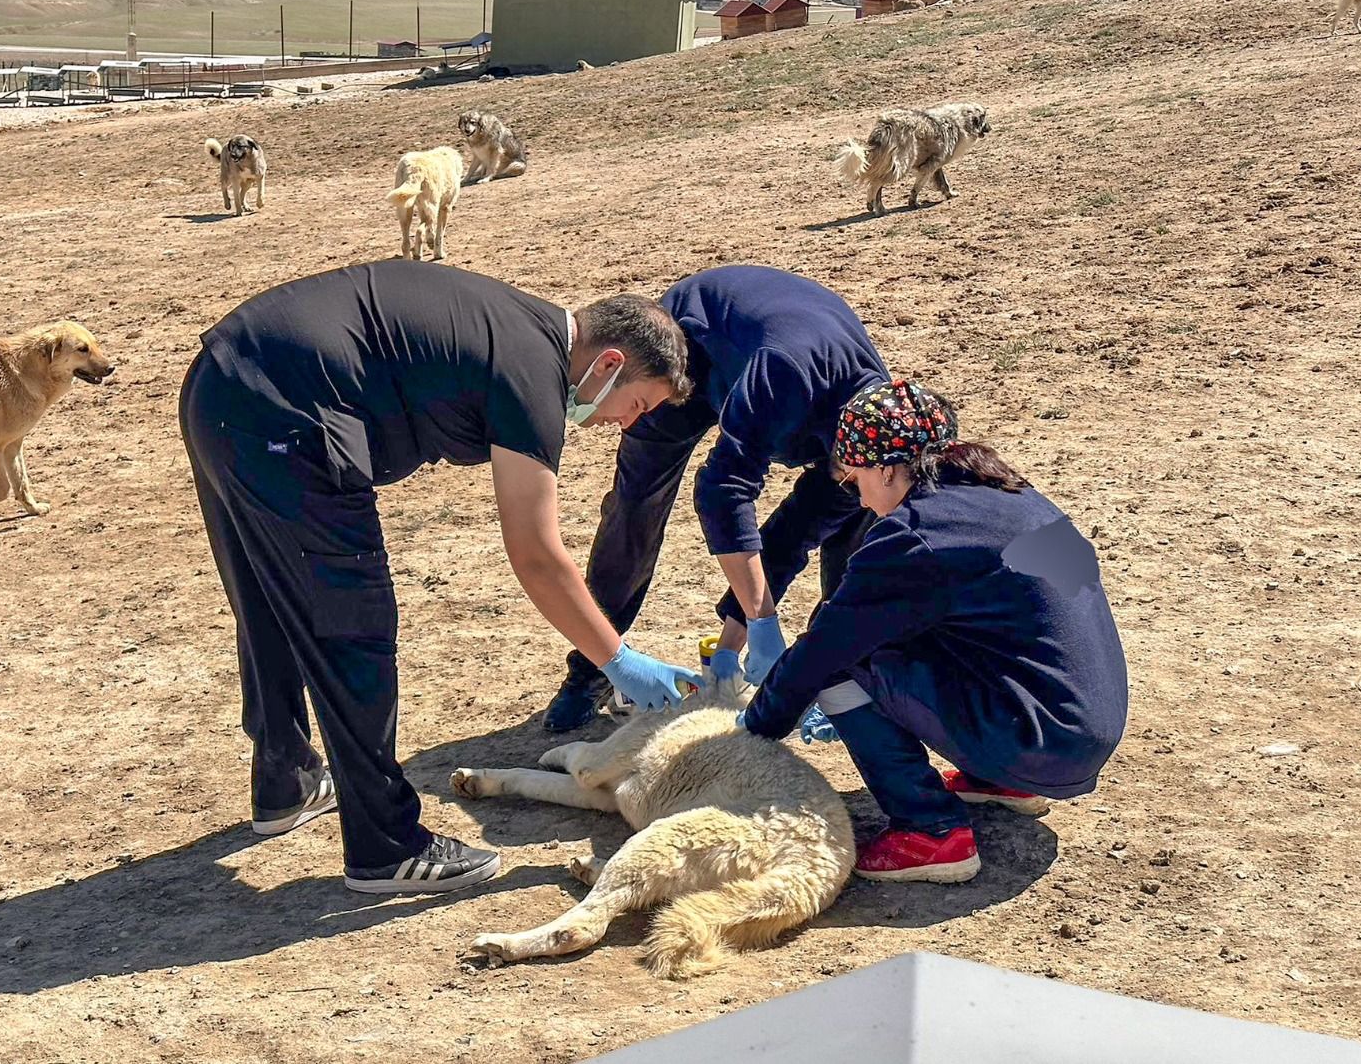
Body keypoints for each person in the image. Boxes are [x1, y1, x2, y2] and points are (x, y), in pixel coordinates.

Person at [179, 259, 700, 896]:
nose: (629, 422)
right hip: (290, 417)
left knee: (269, 598)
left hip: (222, 384)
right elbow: (536, 554)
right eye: (638, 404)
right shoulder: (533, 372)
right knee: (353, 624)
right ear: (611, 362)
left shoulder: (514, 328)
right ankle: (386, 847)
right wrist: (617, 659)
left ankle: (285, 777)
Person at [737, 380, 1128, 883]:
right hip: (1082, 725)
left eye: (855, 480)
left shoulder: (916, 534)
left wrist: (752, 734)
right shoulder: (1010, 494)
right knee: (930, 631)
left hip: (1042, 742)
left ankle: (931, 831)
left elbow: (823, 651)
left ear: (886, 468)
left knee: (842, 662)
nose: (857, 496)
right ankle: (995, 780)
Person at [545, 265, 891, 732]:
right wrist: (763, 621)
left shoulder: (878, 438)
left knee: (853, 521)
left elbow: (792, 534)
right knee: (636, 511)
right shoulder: (787, 377)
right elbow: (721, 491)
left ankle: (832, 674)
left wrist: (732, 643)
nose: (859, 491)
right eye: (855, 480)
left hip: (773, 372)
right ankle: (594, 668)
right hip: (694, 348)